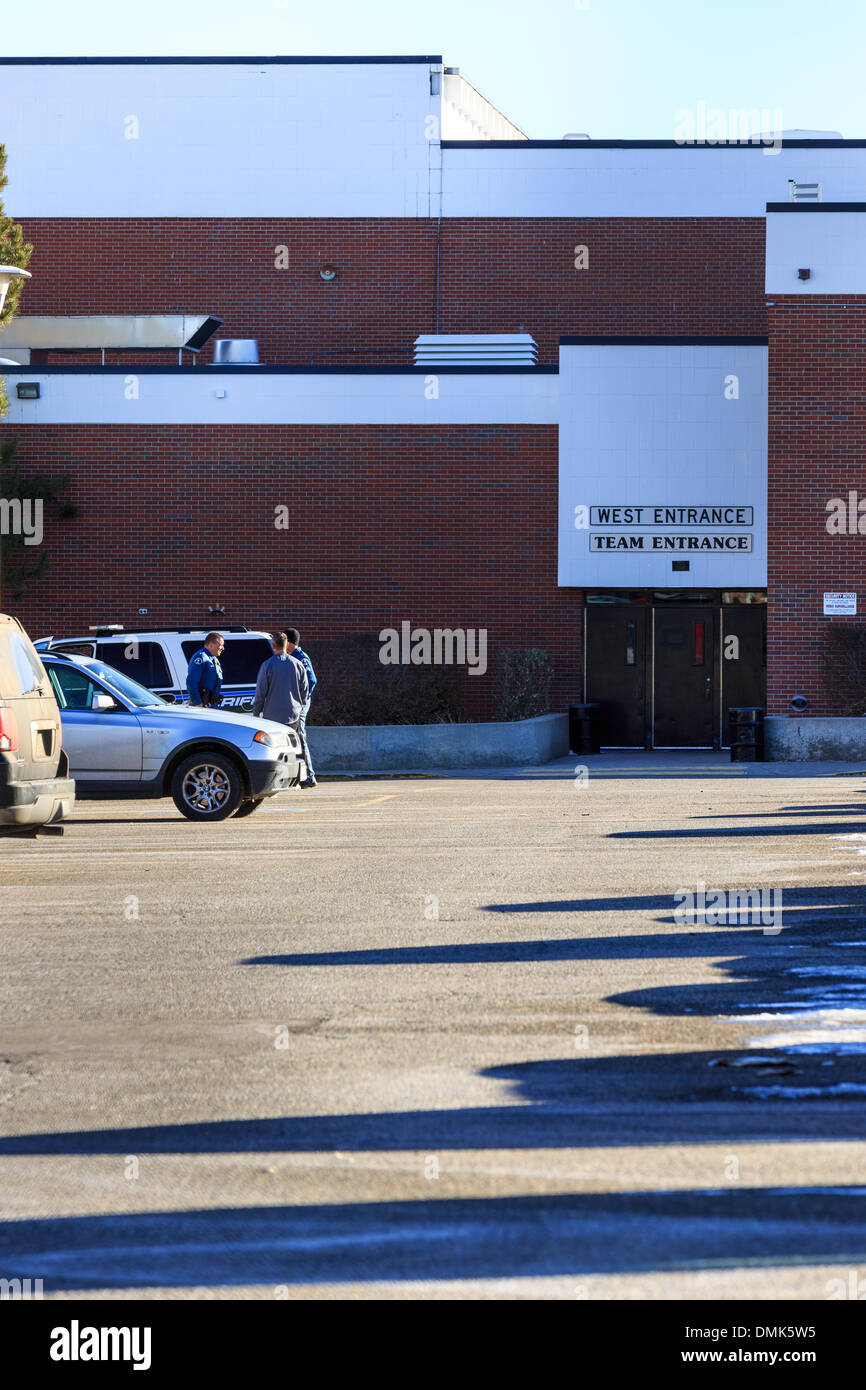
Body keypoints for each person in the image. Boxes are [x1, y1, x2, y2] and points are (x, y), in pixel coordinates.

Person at [251, 632, 313, 784]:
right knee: (295, 747)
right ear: (286, 645)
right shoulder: (298, 664)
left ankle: (278, 779)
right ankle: (298, 778)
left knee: (275, 748)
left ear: (273, 646)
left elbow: (261, 691)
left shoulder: (267, 665)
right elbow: (305, 689)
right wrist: (300, 704)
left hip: (272, 716)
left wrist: (256, 712)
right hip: (293, 714)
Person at [285, 627, 317, 789]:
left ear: (290, 643)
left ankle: (309, 776)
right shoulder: (289, 657)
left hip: (300, 702)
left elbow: (312, 681)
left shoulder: (301, 658)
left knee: (299, 734)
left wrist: (301, 700)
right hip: (294, 701)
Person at [187, 631, 224, 707]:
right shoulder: (201, 658)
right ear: (211, 645)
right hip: (201, 705)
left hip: (211, 704)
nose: (223, 648)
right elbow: (191, 682)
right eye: (221, 645)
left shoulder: (214, 659)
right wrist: (198, 702)